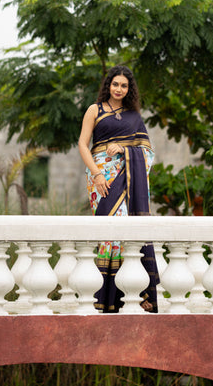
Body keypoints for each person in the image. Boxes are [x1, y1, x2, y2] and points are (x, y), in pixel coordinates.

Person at [78, 65, 159, 313]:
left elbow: (147, 153)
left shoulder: (134, 117)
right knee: (107, 232)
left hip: (126, 177)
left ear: (129, 89)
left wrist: (124, 149)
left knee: (125, 230)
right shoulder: (95, 110)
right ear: (108, 85)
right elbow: (82, 144)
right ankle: (105, 295)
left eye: (124, 86)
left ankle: (127, 294)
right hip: (100, 178)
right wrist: (98, 173)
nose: (119, 89)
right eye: (115, 84)